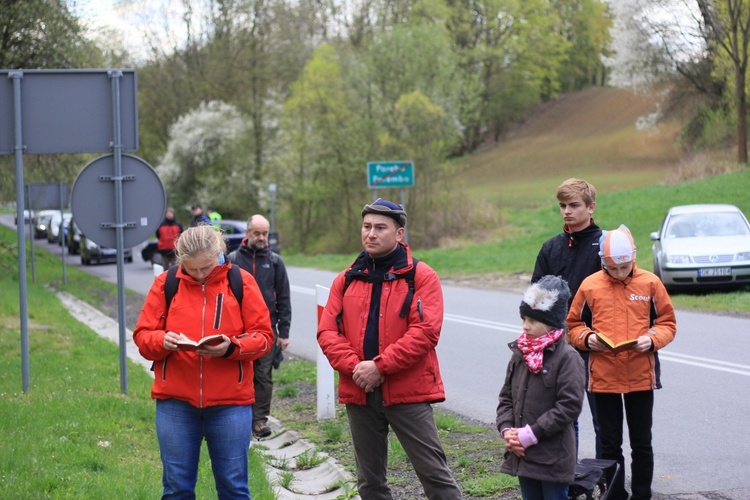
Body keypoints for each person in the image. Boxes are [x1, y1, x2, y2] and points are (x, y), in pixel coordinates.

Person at [317, 198, 462, 500]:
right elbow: (327, 332)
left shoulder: (421, 277)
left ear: (399, 234)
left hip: (408, 392)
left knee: (435, 477)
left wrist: (379, 366)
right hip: (360, 392)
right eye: (367, 226)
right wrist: (357, 368)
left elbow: (425, 333)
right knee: (370, 483)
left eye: (380, 228)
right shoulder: (345, 280)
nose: (371, 233)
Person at [132, 224, 274, 499]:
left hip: (231, 404)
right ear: (180, 259)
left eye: (205, 268)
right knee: (176, 488)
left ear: (219, 254)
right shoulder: (166, 283)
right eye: (192, 268)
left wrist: (232, 347)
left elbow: (264, 337)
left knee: (234, 488)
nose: (198, 275)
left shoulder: (240, 281)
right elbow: (142, 336)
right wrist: (162, 341)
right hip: (175, 404)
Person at [567, 225, 677, 500]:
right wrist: (586, 338)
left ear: (633, 258)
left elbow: (667, 323)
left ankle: (642, 495)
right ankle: (614, 496)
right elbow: (573, 325)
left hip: (641, 375)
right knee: (609, 443)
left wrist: (651, 339)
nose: (618, 273)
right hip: (603, 377)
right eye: (612, 268)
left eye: (624, 267)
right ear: (603, 262)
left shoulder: (650, 283)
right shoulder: (590, 285)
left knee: (642, 443)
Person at [531, 178, 602, 458]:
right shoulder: (551, 248)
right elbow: (536, 300)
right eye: (562, 206)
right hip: (558, 346)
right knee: (564, 419)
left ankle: (606, 481)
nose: (566, 211)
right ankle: (567, 479)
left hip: (596, 346)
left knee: (602, 422)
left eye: (573, 205)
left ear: (591, 207)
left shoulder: (604, 245)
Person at [496, 275, 585, 500]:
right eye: (524, 318)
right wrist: (509, 432)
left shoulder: (568, 358)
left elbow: (569, 406)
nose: (525, 326)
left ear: (552, 323)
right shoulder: (521, 353)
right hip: (523, 453)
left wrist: (531, 434)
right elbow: (506, 397)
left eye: (533, 321)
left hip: (552, 456)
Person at [229, 214, 291, 439]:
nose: (262, 237)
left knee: (263, 376)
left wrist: (284, 333)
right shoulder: (233, 259)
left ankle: (259, 420)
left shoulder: (275, 262)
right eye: (257, 233)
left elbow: (284, 298)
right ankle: (238, 417)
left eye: (265, 233)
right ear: (247, 234)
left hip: (266, 330)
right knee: (239, 374)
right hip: (237, 330)